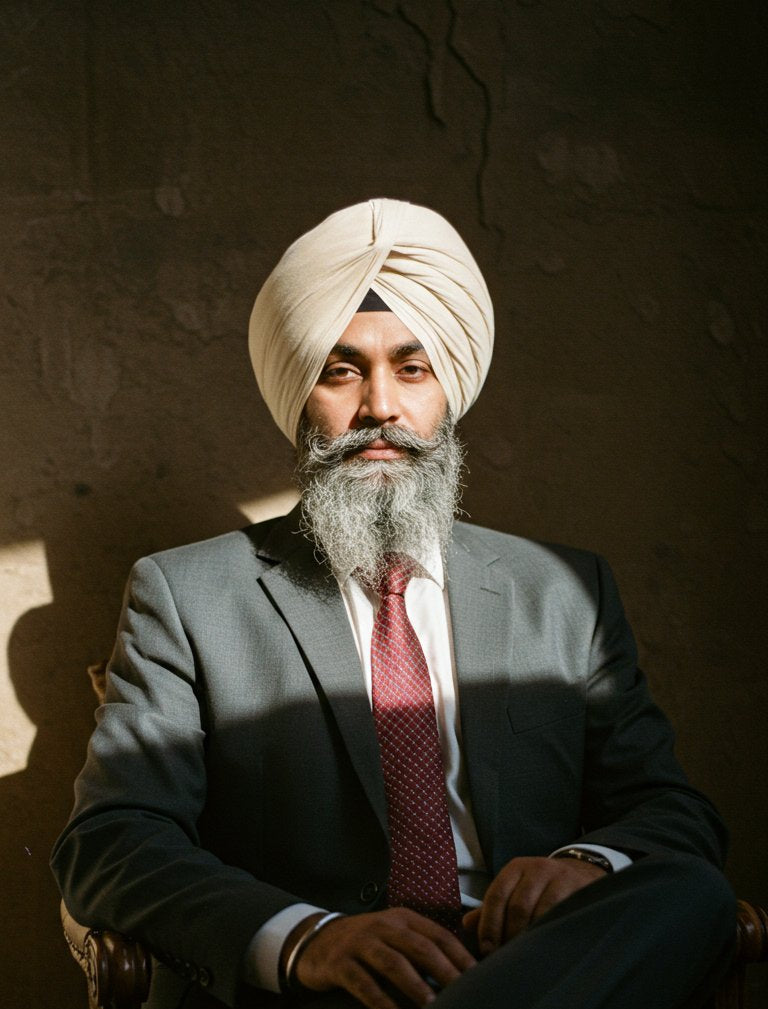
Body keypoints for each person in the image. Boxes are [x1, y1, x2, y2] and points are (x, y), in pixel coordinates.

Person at [52, 199, 735, 1009]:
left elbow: (672, 811)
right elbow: (111, 841)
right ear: (299, 394)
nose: (380, 406)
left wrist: (584, 864)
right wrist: (308, 937)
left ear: (451, 389)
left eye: (412, 369)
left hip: (534, 969)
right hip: (327, 986)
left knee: (691, 890)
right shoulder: (188, 595)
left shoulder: (562, 591)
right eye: (343, 371)